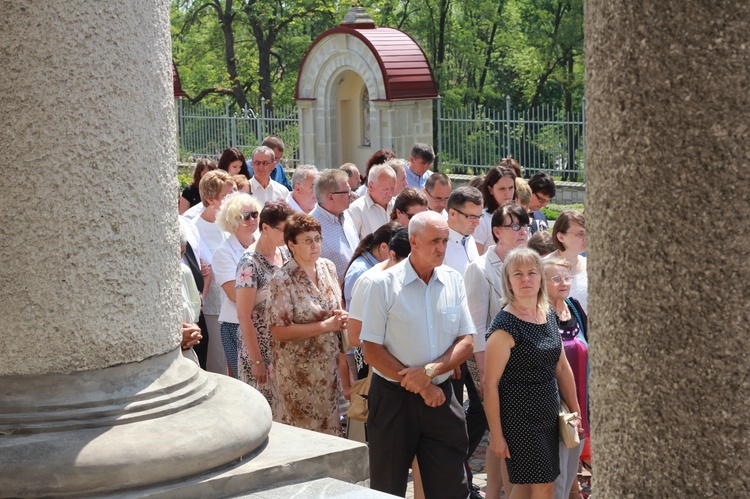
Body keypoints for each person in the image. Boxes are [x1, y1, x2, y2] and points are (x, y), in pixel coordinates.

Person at [361, 211, 475, 498]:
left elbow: (466, 341)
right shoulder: (382, 285)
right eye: (434, 240)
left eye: (446, 241)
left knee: (452, 488)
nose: (441, 248)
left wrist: (429, 373)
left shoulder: (453, 280)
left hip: (442, 397)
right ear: (413, 241)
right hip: (393, 401)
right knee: (387, 488)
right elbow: (371, 350)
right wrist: (421, 386)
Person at [483, 248, 581, 499]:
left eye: (532, 273)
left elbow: (561, 367)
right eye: (518, 274)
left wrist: (575, 411)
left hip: (548, 413)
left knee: (527, 488)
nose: (526, 279)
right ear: (508, 281)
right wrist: (496, 435)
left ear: (540, 279)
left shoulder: (547, 314)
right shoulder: (504, 326)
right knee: (543, 485)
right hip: (519, 419)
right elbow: (490, 385)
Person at [464, 202, 531, 499]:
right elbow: (476, 326)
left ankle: (493, 494)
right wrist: (483, 373)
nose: (522, 231)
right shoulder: (479, 268)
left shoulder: (529, 263)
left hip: (523, 361)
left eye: (525, 225)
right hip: (493, 363)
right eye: (514, 226)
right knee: (506, 432)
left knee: (499, 433)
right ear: (496, 232)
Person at [267, 213, 348, 436]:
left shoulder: (328, 267)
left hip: (327, 368)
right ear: (291, 244)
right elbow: (278, 331)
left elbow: (334, 306)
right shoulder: (282, 280)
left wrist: (340, 317)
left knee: (330, 431)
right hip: (297, 372)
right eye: (308, 240)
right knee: (302, 435)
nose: (315, 245)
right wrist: (325, 326)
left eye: (318, 239)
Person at [235, 200, 295, 417]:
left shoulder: (285, 254)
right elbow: (243, 315)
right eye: (283, 230)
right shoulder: (249, 263)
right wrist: (257, 360)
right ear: (266, 228)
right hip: (260, 351)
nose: (288, 234)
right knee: (262, 415)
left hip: (284, 349)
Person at [544, 257, 589, 499]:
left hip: (580, 405)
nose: (564, 283)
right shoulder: (541, 314)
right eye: (556, 278)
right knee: (556, 480)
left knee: (571, 473)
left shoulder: (574, 307)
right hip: (554, 409)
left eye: (567, 277)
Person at [192, 170, 237, 375]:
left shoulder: (233, 223)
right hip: (213, 306)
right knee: (219, 362)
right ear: (211, 200)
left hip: (237, 302)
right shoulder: (195, 228)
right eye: (228, 195)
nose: (234, 199)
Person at [213, 192, 260, 378]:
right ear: (232, 222)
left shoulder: (264, 244)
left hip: (264, 323)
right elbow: (235, 294)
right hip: (236, 325)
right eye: (244, 217)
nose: (251, 220)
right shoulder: (223, 252)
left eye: (254, 214)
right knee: (246, 383)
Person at [310, 169, 359, 284]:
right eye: (347, 191)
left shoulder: (346, 214)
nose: (352, 195)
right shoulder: (311, 227)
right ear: (331, 198)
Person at [546, 210, 588, 313]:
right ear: (561, 237)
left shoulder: (591, 266)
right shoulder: (543, 267)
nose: (586, 238)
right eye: (580, 234)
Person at [475, 166, 517, 255]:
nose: (508, 193)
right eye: (502, 189)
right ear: (490, 189)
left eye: (511, 188)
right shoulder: (482, 219)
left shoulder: (517, 216)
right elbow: (477, 256)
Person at [347, 163, 397, 239]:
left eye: (392, 188)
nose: (390, 193)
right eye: (385, 189)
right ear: (371, 186)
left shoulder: (397, 205)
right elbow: (352, 245)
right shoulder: (356, 210)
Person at [443, 186, 483, 275]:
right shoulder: (439, 245)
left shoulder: (470, 240)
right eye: (472, 217)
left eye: (479, 217)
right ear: (453, 214)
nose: (477, 223)